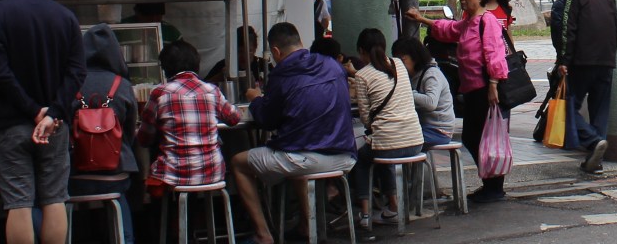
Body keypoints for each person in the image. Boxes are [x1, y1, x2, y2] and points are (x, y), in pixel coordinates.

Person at [0, 0, 85, 244]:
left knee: (18, 202)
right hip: (55, 126)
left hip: (11, 124)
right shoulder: (65, 17)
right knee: (54, 198)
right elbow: (77, 71)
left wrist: (32, 110)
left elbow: (0, 73)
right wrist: (52, 112)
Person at [231, 23, 355, 244]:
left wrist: (256, 99)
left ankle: (263, 235)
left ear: (276, 51)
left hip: (303, 158)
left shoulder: (281, 74)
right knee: (297, 150)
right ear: (300, 42)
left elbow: (267, 121)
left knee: (238, 163)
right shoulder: (332, 65)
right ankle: (306, 226)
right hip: (344, 156)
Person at [404, 0, 510, 203]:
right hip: (472, 90)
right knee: (476, 138)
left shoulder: (487, 21)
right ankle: (490, 185)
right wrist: (421, 19)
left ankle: (494, 187)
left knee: (480, 138)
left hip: (484, 90)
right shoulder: (469, 22)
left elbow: (495, 54)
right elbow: (448, 29)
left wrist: (493, 85)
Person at [137, 40, 240, 195]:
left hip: (174, 174)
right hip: (212, 171)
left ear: (165, 69)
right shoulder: (212, 90)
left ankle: (166, 210)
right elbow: (234, 118)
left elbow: (144, 138)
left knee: (154, 162)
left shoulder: (160, 93)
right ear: (197, 64)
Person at [342, 28, 422, 226]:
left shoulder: (362, 76)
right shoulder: (399, 65)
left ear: (361, 51)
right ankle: (393, 206)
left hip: (389, 145)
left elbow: (365, 119)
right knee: (381, 148)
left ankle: (365, 213)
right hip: (415, 141)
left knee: (363, 159)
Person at [69, 24, 139, 244]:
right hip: (115, 176)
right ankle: (125, 239)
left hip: (75, 174)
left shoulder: (70, 83)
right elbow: (130, 132)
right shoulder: (122, 85)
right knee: (121, 198)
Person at [555, 0, 617, 175]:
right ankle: (596, 160)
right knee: (600, 110)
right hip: (606, 61)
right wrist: (609, 54)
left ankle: (593, 142)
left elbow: (567, 29)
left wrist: (564, 60)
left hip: (581, 62)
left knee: (568, 106)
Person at [391, 36, 455, 148]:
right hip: (422, 127)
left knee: (396, 140)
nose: (399, 65)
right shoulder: (411, 75)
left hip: (438, 131)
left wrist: (407, 92)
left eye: (403, 60)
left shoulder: (432, 74)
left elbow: (431, 102)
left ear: (415, 58)